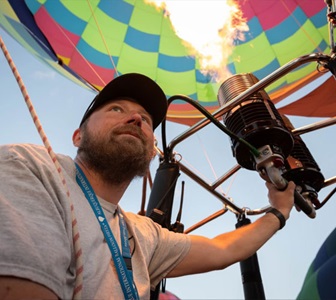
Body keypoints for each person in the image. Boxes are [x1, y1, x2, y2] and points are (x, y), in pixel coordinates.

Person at [0, 73, 295, 299]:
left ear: (153, 147)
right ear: (78, 136)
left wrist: (279, 213)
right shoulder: (33, 167)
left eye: (147, 121)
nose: (136, 118)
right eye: (116, 109)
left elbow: (223, 249)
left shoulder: (141, 235)